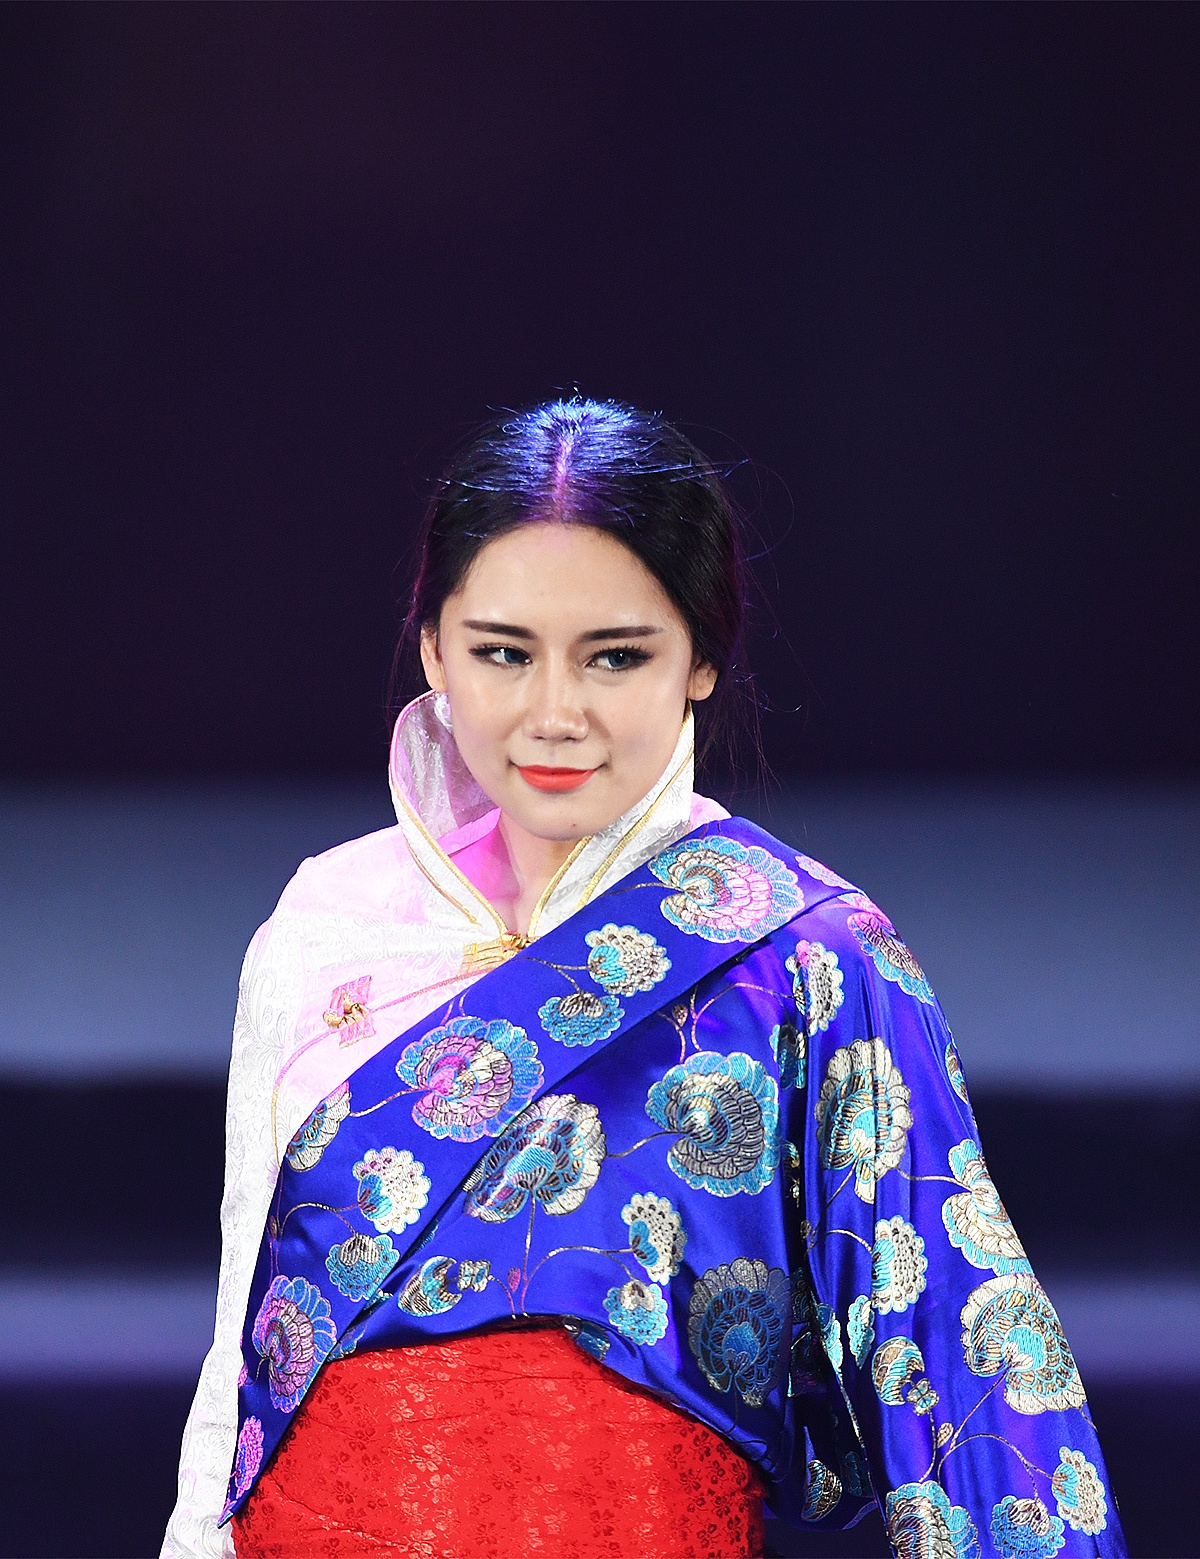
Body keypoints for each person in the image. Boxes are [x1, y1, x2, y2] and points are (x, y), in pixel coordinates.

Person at [163, 398, 1124, 1559]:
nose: (554, 714)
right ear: (433, 650)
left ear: (701, 659)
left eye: (615, 656)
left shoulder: (807, 960)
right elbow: (244, 1358)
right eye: (503, 652)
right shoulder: (323, 928)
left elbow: (975, 1381)